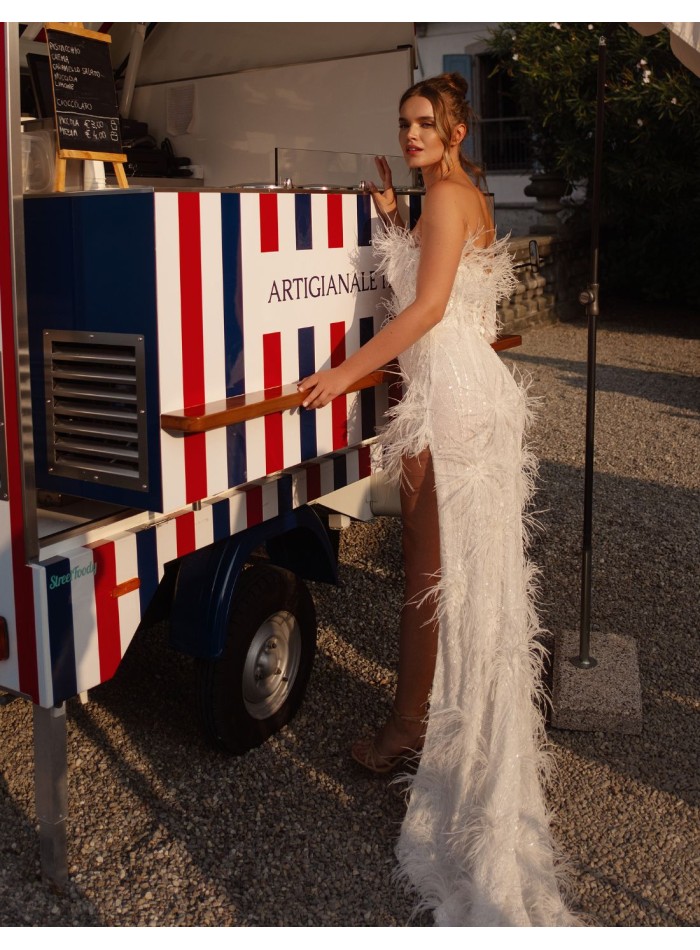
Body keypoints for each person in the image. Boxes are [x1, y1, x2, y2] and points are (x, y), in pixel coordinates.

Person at [298, 73, 577, 926]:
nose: (413, 133)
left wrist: (344, 371)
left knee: (433, 580)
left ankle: (405, 732)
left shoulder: (450, 199)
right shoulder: (457, 197)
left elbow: (424, 308)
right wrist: (392, 219)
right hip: (467, 392)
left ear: (454, 130)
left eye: (426, 123)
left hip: (450, 403)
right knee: (456, 578)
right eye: (405, 122)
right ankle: (424, 724)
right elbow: (448, 289)